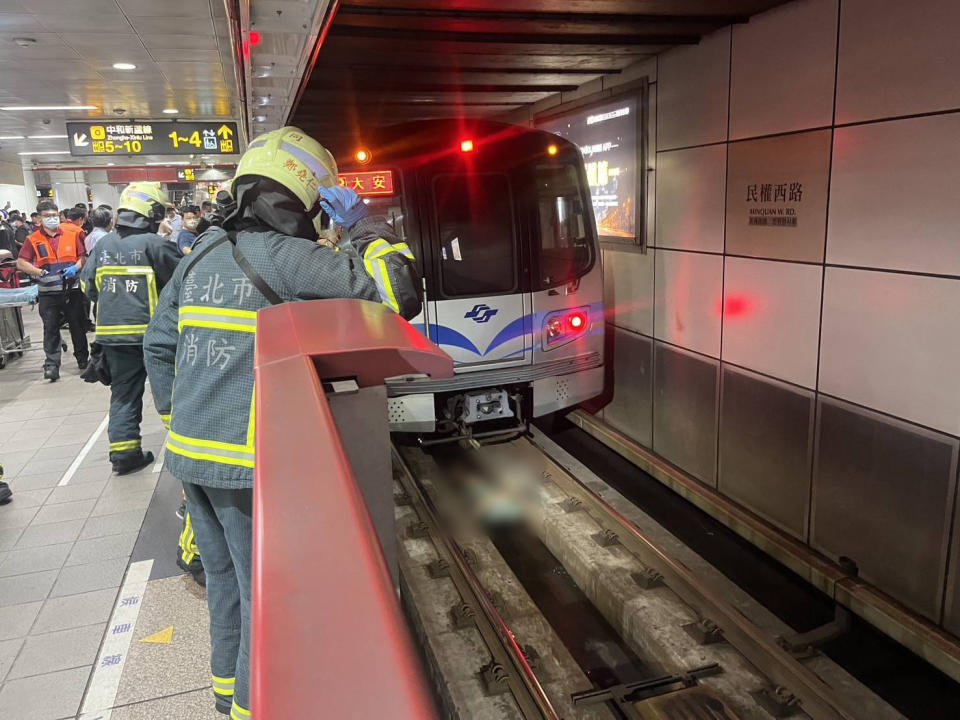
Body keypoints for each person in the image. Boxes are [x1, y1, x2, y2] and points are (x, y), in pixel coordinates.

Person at [143, 126, 421, 719]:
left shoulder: (201, 254)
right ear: (302, 201)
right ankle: (251, 707)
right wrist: (364, 227)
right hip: (245, 462)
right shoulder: (288, 256)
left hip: (189, 454)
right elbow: (397, 295)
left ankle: (224, 696)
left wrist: (178, 414)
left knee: (224, 581)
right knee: (261, 593)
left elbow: (158, 343)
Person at [82, 182, 181, 474]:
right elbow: (185, 282)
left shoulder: (103, 246)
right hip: (156, 337)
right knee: (173, 390)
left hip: (113, 337)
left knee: (124, 394)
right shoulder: (157, 245)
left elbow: (89, 288)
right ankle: (185, 444)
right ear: (151, 212)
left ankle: (124, 455)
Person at [16, 200, 89, 381]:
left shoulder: (72, 234)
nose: (52, 219)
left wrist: (76, 267)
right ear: (39, 219)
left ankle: (83, 360)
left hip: (71, 289)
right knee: (50, 328)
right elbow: (21, 262)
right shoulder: (33, 239)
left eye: (55, 216)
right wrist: (38, 272)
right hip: (48, 292)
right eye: (48, 216)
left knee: (78, 326)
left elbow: (83, 257)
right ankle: (51, 365)